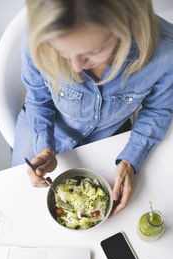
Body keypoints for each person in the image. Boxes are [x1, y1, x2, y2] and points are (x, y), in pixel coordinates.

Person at [12, 0, 173, 216]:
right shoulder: (38, 39)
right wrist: (45, 146)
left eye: (93, 50)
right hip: (46, 125)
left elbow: (158, 110)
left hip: (110, 134)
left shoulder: (166, 51)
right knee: (19, 202)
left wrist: (131, 160)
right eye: (63, 51)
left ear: (127, 26)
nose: (76, 67)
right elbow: (38, 100)